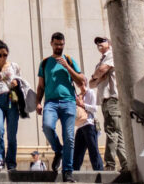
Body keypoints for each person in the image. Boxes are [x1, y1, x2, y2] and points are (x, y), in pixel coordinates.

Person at [36, 31, 85, 183]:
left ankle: (67, 172)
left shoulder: (69, 60)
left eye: (61, 45)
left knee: (69, 137)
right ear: (51, 44)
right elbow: (41, 86)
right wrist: (38, 102)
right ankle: (58, 150)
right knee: (47, 126)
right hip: (50, 102)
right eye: (56, 44)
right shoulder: (44, 63)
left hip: (68, 102)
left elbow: (81, 81)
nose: (59, 47)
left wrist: (67, 67)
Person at [89, 36, 128, 173]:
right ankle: (125, 163)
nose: (99, 44)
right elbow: (91, 84)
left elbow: (101, 71)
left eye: (102, 41)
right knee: (118, 132)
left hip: (112, 98)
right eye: (97, 43)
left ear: (109, 43)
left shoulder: (111, 54)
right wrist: (97, 77)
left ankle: (110, 164)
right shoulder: (100, 62)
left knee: (111, 131)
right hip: (105, 100)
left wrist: (97, 76)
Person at [0, 39, 22, 172]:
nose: (2, 57)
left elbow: (21, 82)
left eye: (5, 54)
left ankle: (11, 163)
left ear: (8, 54)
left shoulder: (14, 66)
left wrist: (16, 83)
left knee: (12, 134)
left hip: (12, 99)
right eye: (0, 55)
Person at [73, 87, 103, 171]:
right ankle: (74, 173)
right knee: (77, 153)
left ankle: (99, 172)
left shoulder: (90, 92)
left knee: (93, 150)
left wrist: (82, 104)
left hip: (89, 124)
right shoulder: (79, 95)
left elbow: (94, 108)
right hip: (80, 126)